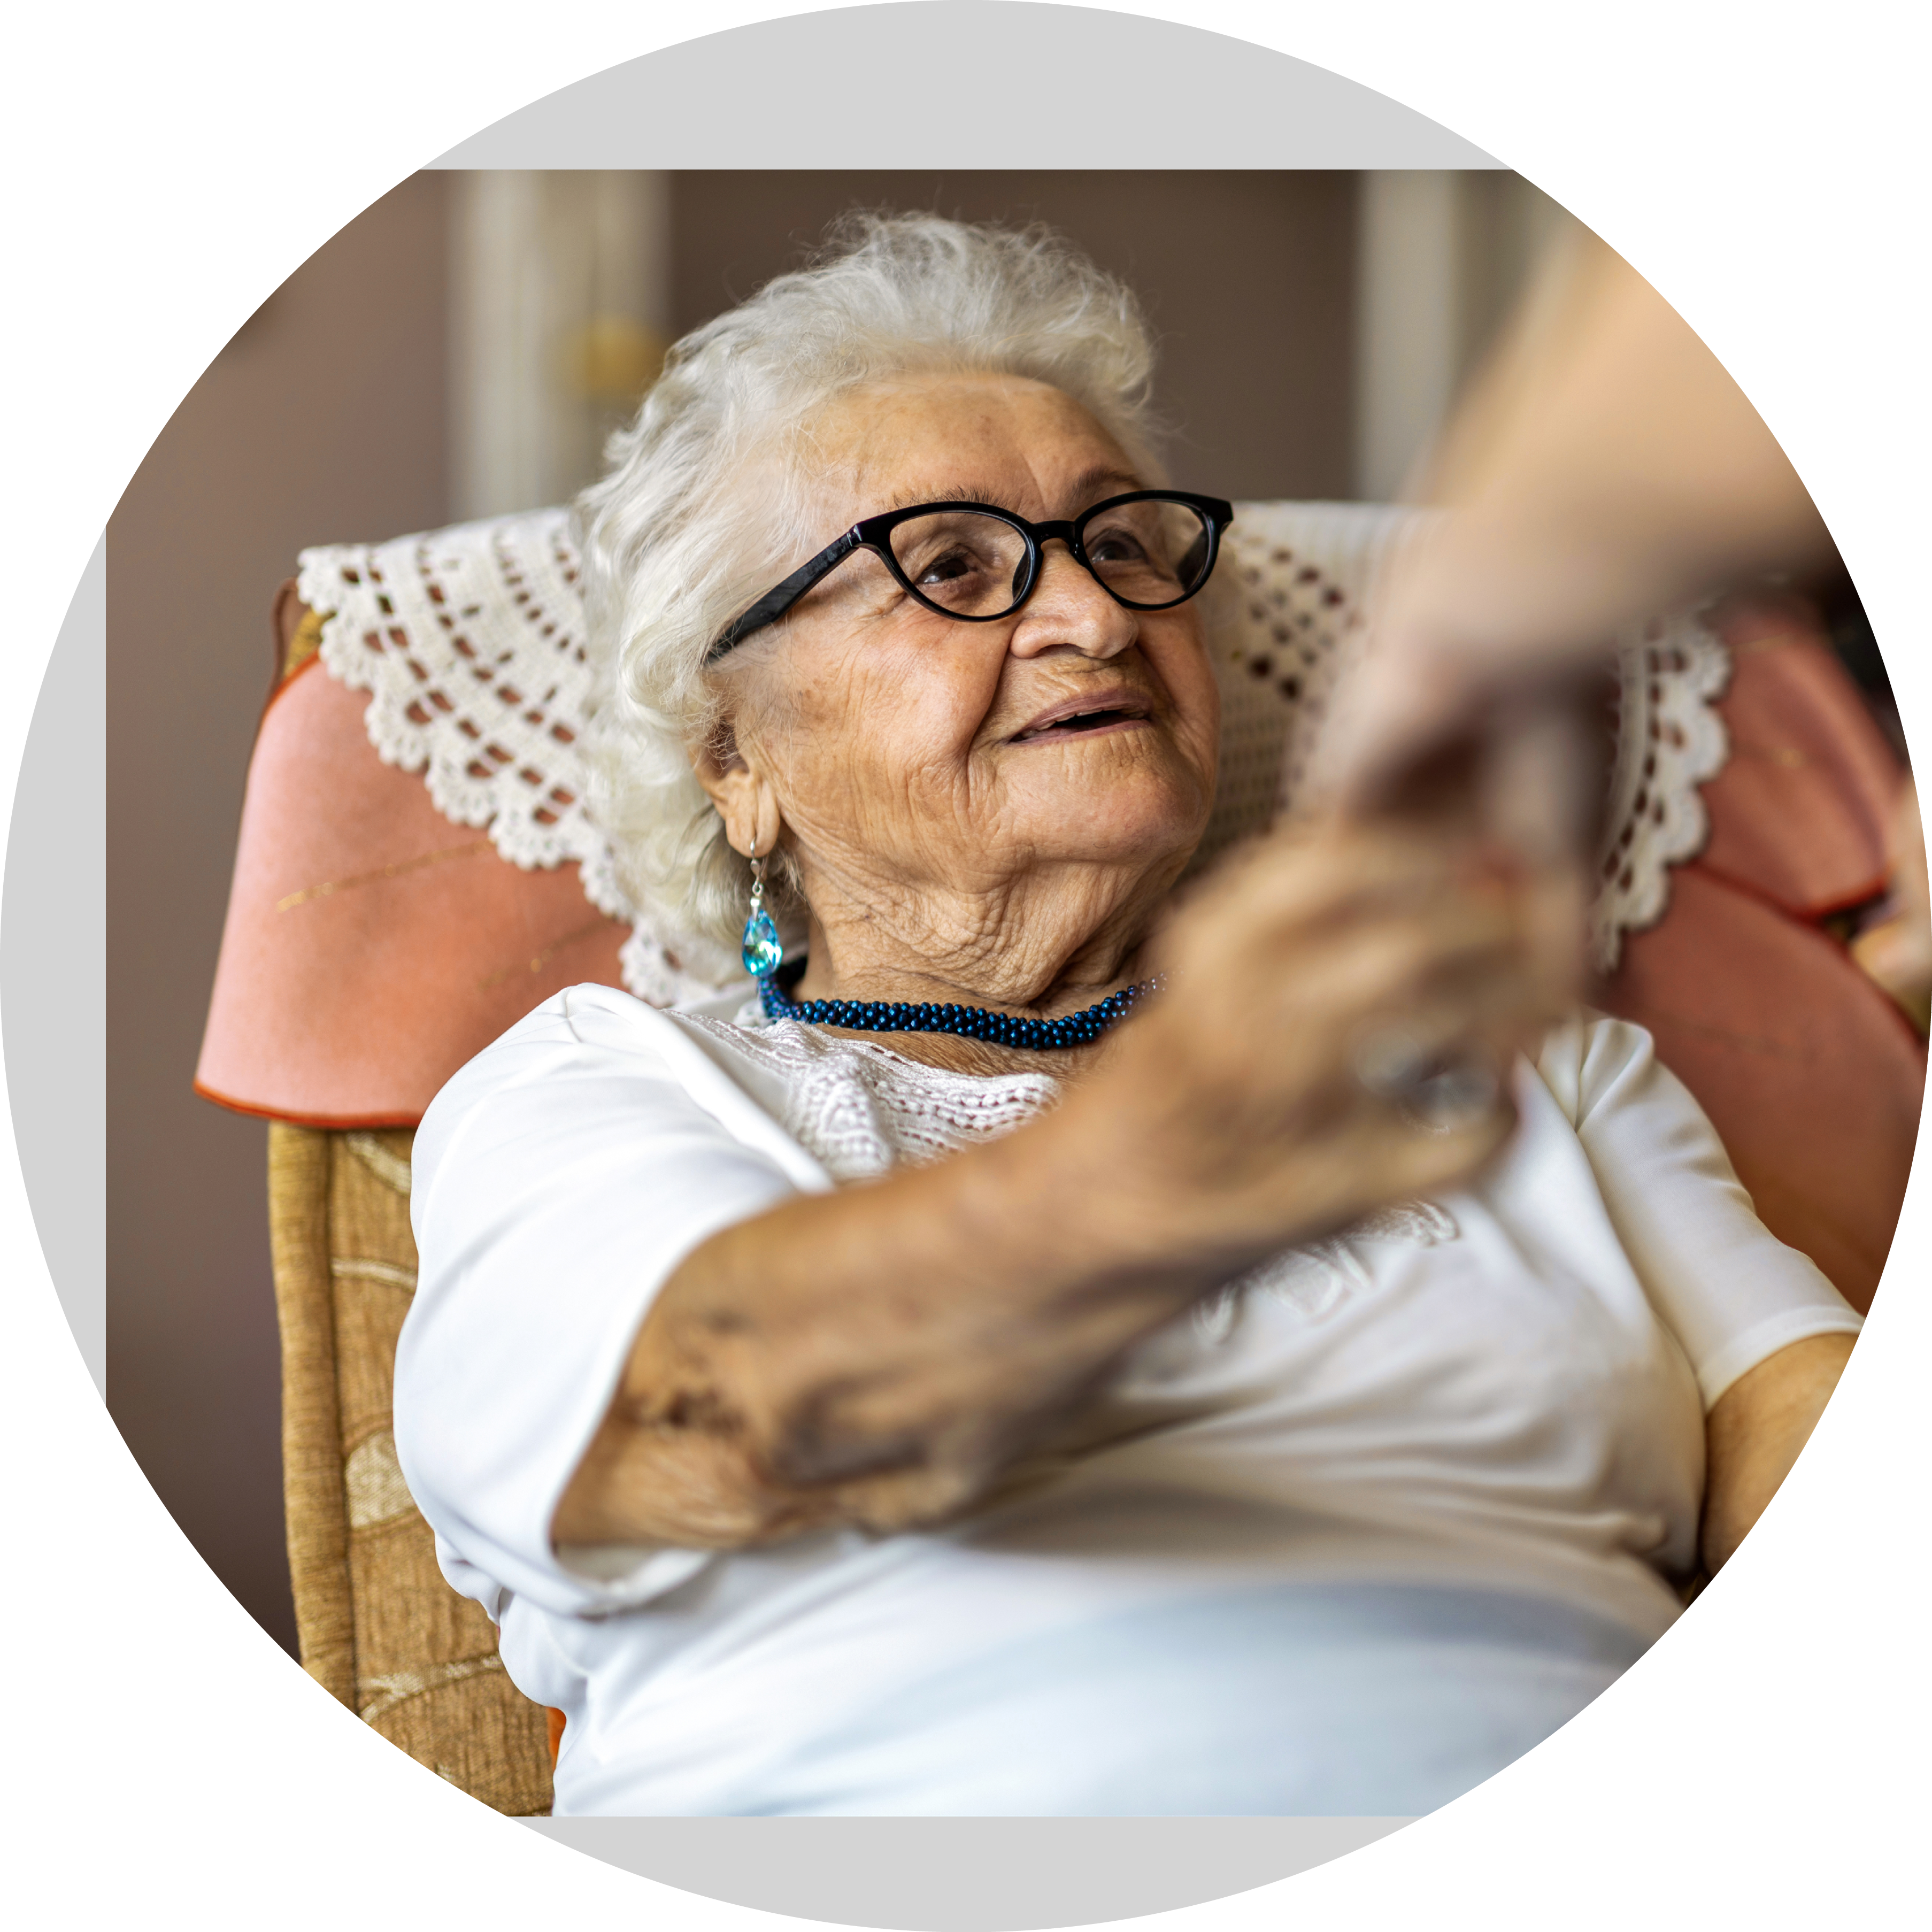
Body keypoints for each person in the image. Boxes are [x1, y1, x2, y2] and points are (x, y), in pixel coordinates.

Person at [392, 217, 1861, 1817]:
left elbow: (1812, 1444)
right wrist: (1165, 1158)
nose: (1092, 617)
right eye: (945, 566)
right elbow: (720, 1412)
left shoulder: (1526, 1057)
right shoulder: (602, 1086)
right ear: (733, 758)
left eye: (1127, 546)